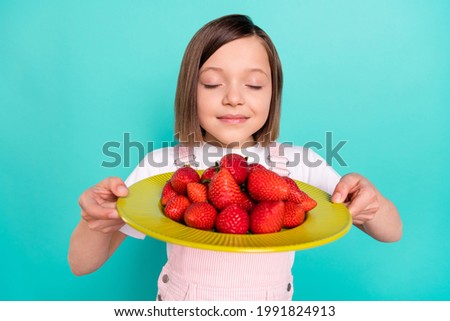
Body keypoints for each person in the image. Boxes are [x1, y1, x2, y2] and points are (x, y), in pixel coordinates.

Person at [68, 14, 402, 300]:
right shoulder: (163, 165)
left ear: (273, 93)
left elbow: (392, 231)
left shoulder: (301, 163)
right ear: (189, 91)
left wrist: (370, 202)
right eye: (212, 83)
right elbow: (81, 265)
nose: (233, 98)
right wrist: (95, 221)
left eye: (254, 85)